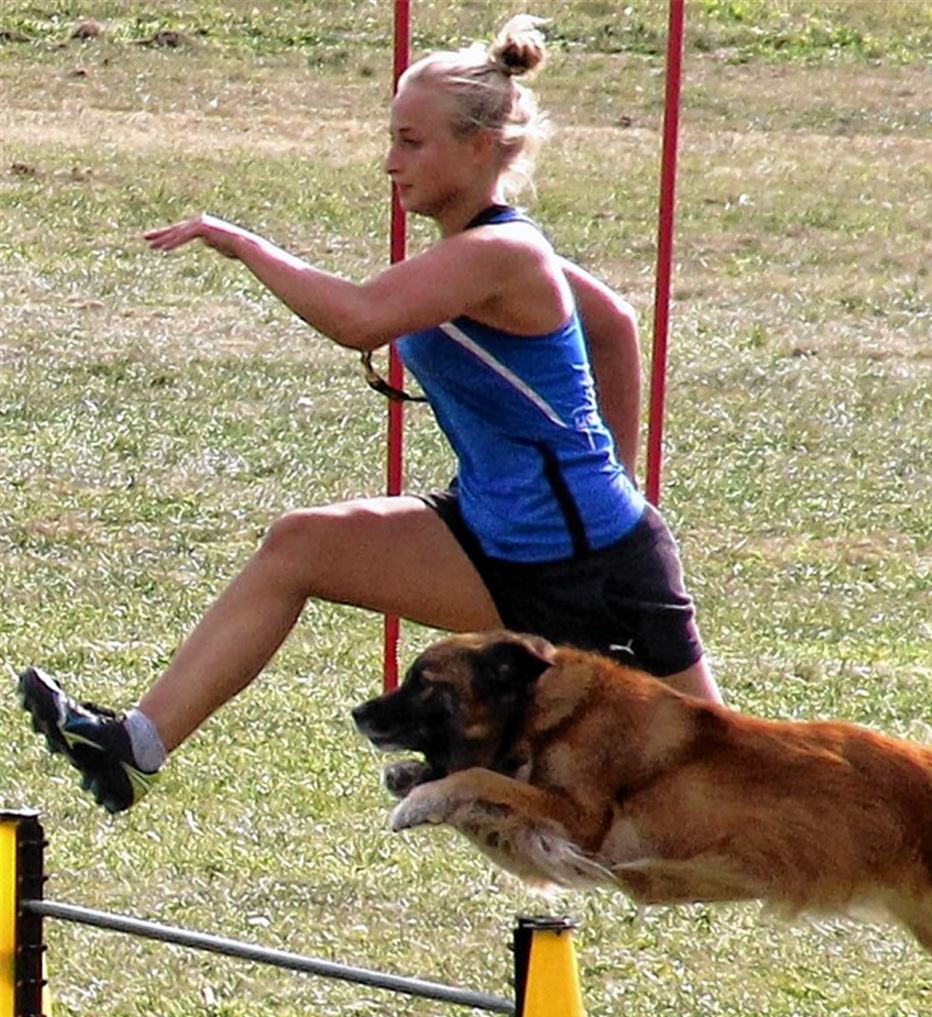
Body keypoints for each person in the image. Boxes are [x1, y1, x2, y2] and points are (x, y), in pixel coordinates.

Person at [18, 15, 721, 815]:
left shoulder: (506, 253)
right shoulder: (481, 250)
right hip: (494, 540)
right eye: (391, 138)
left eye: (412, 142)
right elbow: (615, 325)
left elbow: (358, 319)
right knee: (302, 544)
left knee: (722, 781)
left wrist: (243, 244)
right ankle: (133, 749)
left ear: (483, 144)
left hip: (598, 567)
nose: (390, 161)